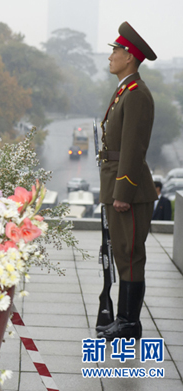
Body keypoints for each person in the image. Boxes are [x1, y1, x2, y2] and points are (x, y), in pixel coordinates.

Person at [96, 22, 158, 341]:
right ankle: (123, 320)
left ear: (130, 56)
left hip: (129, 191)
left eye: (116, 51)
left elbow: (133, 149)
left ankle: (129, 324)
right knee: (122, 253)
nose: (111, 56)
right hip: (118, 187)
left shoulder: (136, 94)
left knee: (131, 255)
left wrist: (123, 192)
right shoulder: (124, 90)